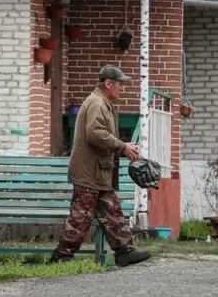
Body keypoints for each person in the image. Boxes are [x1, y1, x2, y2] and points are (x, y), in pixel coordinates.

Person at [50, 65, 152, 267]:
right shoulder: (97, 103)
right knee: (81, 216)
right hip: (89, 172)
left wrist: (122, 147)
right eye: (120, 84)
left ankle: (125, 252)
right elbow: (95, 133)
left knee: (113, 212)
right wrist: (122, 146)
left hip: (99, 173)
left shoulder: (102, 102)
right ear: (108, 83)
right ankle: (61, 256)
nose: (122, 88)